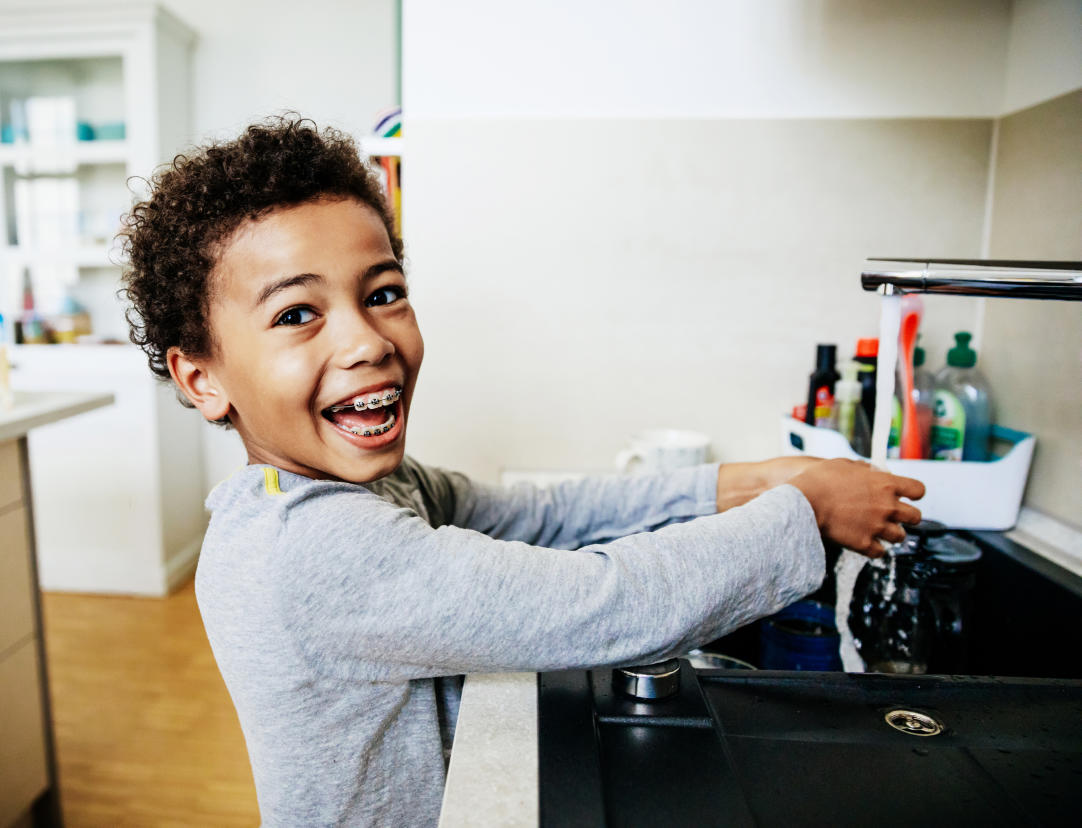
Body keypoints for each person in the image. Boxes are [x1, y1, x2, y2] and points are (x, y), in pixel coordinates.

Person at [120, 115, 924, 826]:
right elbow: (594, 605)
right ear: (202, 378)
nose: (366, 341)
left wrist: (739, 482)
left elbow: (536, 514)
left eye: (385, 292)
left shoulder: (346, 489)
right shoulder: (314, 549)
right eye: (297, 314)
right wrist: (803, 512)